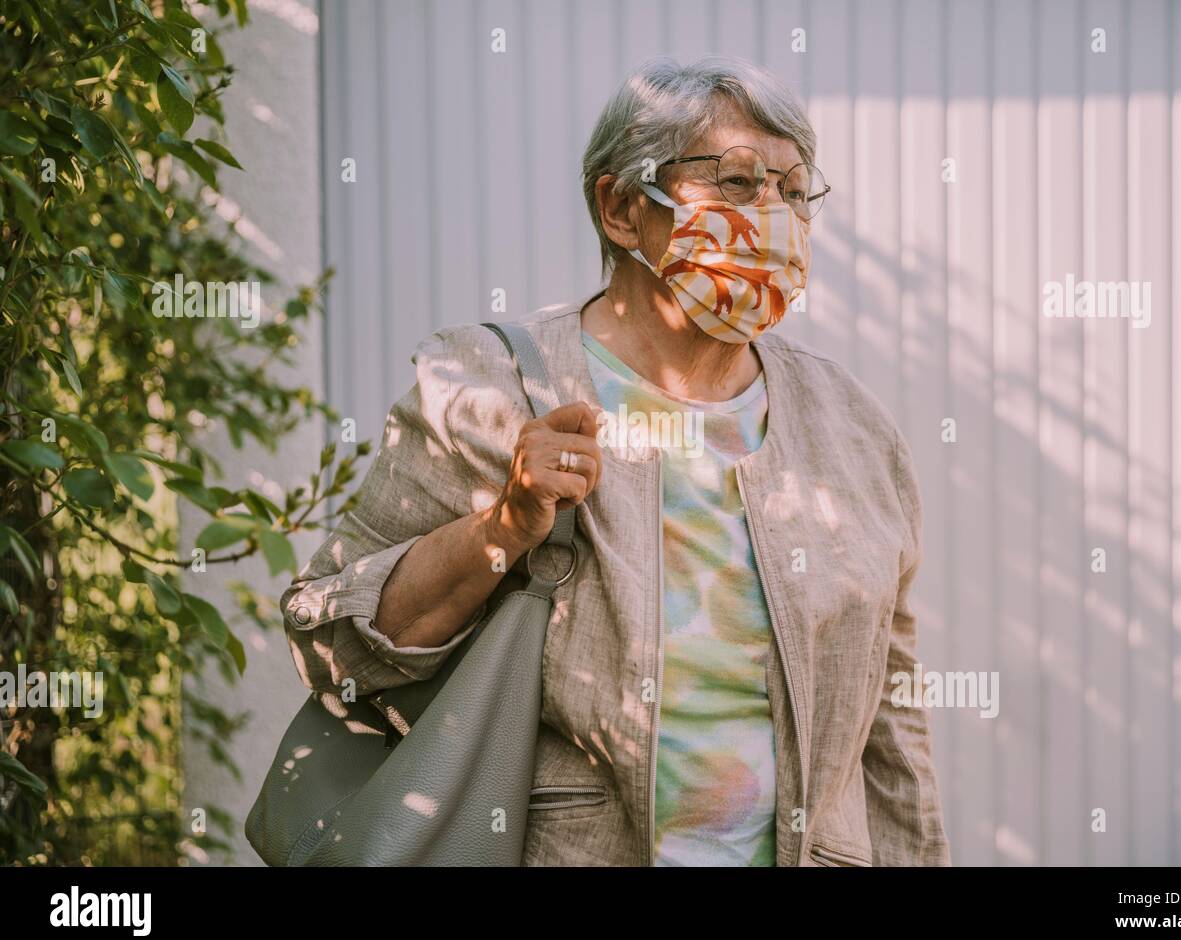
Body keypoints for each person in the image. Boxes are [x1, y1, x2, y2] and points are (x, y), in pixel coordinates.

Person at [281, 55, 950, 867]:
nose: (774, 215)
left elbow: (892, 724)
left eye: (794, 188)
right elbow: (333, 647)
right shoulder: (492, 387)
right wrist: (502, 527)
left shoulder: (853, 431)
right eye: (738, 183)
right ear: (624, 208)